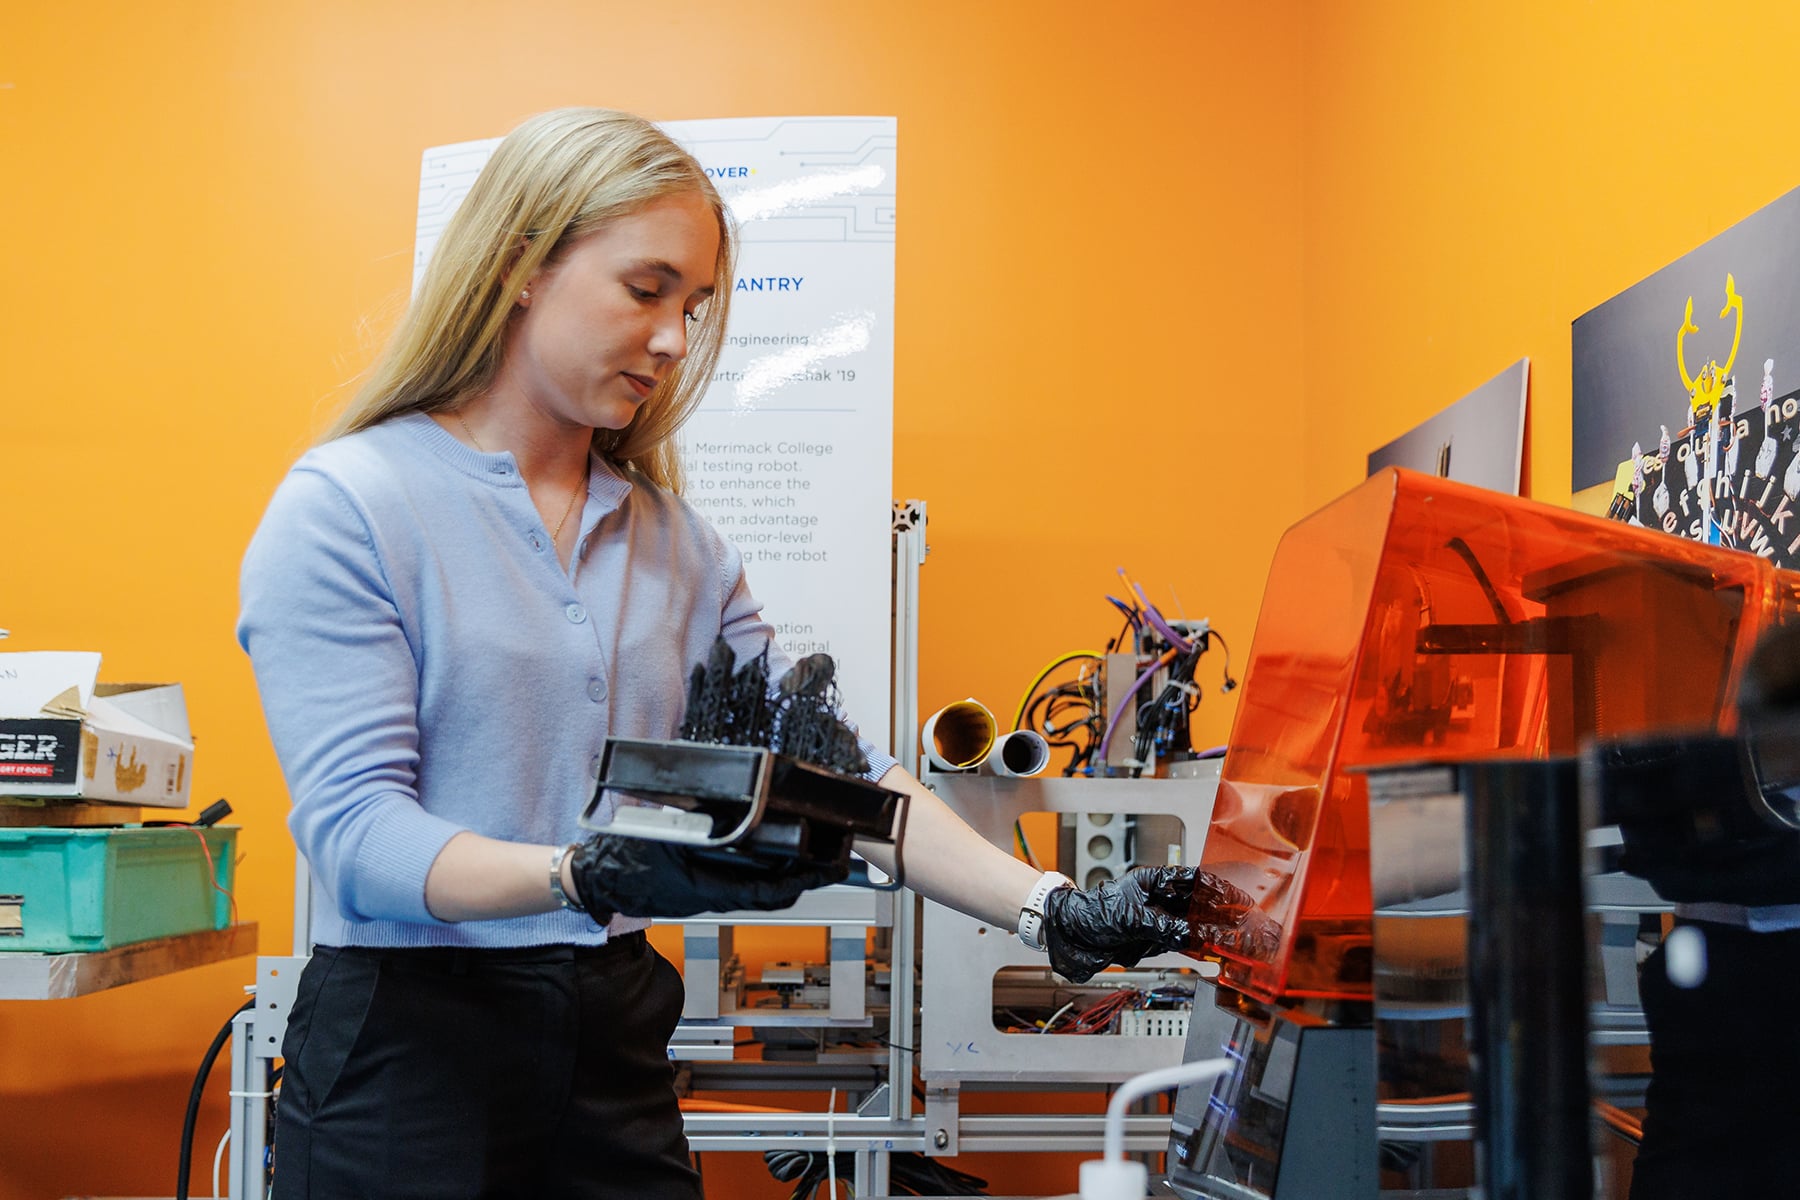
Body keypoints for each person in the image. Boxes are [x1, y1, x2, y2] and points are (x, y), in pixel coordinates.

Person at [238, 107, 1198, 1200]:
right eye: (646, 290)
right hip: (406, 1057)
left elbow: (840, 778)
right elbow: (358, 836)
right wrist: (573, 872)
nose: (674, 341)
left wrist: (1053, 910)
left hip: (611, 1042)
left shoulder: (676, 546)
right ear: (519, 265)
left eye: (693, 307)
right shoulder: (352, 505)